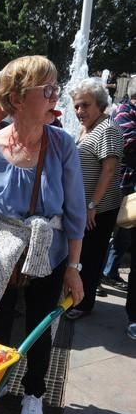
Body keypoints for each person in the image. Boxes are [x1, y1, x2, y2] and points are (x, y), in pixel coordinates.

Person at [0, 56, 86, 414]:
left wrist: (74, 268)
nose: (54, 96)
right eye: (46, 90)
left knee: (40, 326)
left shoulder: (62, 146)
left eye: (55, 88)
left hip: (51, 249)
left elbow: (75, 213)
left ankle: (34, 391)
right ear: (16, 101)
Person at [66, 77, 124, 320]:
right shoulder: (89, 128)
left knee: (89, 257)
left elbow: (109, 170)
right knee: (83, 255)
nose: (80, 111)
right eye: (77, 105)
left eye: (85, 105)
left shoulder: (108, 129)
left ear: (99, 104)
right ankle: (78, 297)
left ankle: (83, 304)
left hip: (98, 209)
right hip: (87, 207)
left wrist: (92, 205)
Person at [101, 77, 136, 291]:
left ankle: (109, 271)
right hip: (122, 182)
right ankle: (97, 276)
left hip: (129, 182)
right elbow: (127, 141)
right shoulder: (124, 112)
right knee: (113, 230)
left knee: (125, 230)